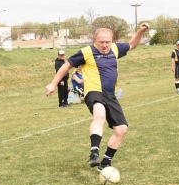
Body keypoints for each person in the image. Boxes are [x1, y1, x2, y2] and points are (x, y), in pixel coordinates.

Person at [45, 24, 150, 171]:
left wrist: (140, 31)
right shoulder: (86, 52)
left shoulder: (114, 48)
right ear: (95, 40)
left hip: (110, 95)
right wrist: (53, 84)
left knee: (121, 129)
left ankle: (105, 163)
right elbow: (66, 66)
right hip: (93, 91)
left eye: (108, 41)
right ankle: (94, 153)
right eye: (102, 42)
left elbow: (132, 44)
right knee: (99, 114)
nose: (105, 45)